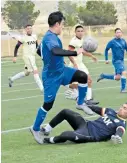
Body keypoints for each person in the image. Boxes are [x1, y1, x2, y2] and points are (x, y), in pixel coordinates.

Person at [30, 11, 94, 144]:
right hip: (51, 77)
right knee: (48, 105)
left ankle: (80, 102)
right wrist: (75, 52)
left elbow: (39, 51)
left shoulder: (51, 37)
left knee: (83, 76)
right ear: (57, 24)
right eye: (62, 25)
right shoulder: (50, 38)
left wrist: (46, 57)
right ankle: (35, 128)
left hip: (62, 70)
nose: (63, 27)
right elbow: (55, 51)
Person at [41, 102, 127, 144]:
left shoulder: (122, 124)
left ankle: (48, 140)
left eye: (125, 108)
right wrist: (84, 104)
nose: (121, 108)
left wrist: (117, 136)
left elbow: (120, 131)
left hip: (89, 135)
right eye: (122, 106)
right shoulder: (110, 111)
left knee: (66, 134)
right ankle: (47, 129)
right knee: (66, 112)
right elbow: (96, 109)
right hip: (86, 124)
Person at [65, 24, 99, 105]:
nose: (80, 32)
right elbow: (69, 53)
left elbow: (82, 51)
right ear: (75, 32)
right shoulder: (73, 42)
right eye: (78, 31)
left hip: (81, 64)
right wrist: (74, 63)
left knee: (89, 81)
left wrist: (92, 56)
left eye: (81, 31)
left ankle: (89, 99)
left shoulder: (82, 40)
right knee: (75, 85)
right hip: (75, 64)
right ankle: (68, 87)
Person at [97, 28, 127, 93]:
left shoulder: (123, 41)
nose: (119, 33)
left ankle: (103, 75)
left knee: (118, 77)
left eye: (120, 32)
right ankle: (123, 90)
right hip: (116, 61)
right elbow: (106, 50)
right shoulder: (112, 42)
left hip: (121, 61)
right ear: (115, 34)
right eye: (117, 32)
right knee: (124, 72)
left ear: (121, 33)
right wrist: (106, 59)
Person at [8, 24, 43, 92]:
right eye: (28, 28)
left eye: (30, 28)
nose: (29, 29)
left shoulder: (34, 37)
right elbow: (17, 47)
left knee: (27, 73)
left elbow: (37, 48)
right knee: (35, 71)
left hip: (32, 57)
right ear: (25, 30)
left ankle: (12, 79)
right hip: (27, 57)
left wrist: (42, 56)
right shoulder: (23, 38)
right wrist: (15, 56)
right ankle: (42, 89)